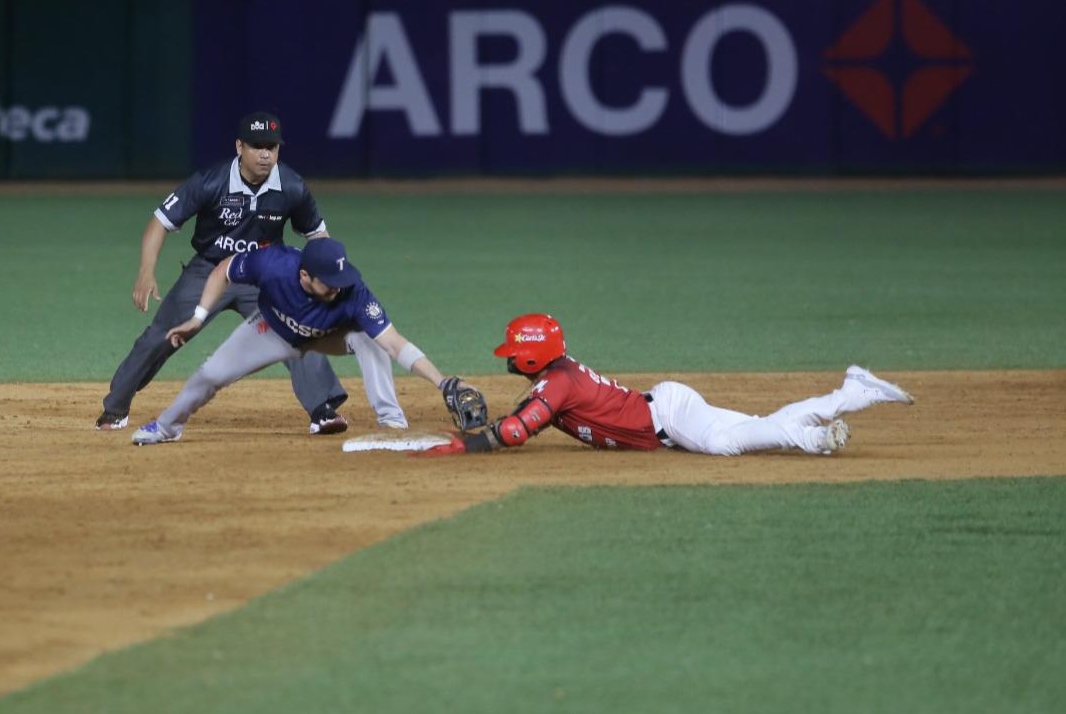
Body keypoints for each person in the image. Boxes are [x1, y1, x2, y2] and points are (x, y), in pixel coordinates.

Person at [96, 111, 359, 436]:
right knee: (163, 335)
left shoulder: (291, 186)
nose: (265, 154)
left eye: (272, 147)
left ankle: (323, 410)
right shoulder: (210, 181)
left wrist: (325, 278)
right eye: (257, 146)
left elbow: (318, 236)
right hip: (208, 270)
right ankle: (115, 409)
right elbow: (160, 222)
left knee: (298, 329)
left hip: (263, 274)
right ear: (239, 147)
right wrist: (145, 272)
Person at [421, 313, 915, 457]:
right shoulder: (557, 378)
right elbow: (527, 417)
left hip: (671, 418)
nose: (510, 359)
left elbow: (515, 432)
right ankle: (848, 394)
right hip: (668, 408)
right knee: (756, 427)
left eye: (513, 351)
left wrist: (467, 445)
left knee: (724, 444)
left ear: (532, 354)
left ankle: (819, 437)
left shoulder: (558, 383)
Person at [130, 237, 466, 446]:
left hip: (328, 338)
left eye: (340, 278)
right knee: (210, 375)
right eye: (329, 282)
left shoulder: (353, 291)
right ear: (305, 275)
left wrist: (442, 381)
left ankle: (392, 422)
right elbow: (223, 271)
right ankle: (167, 427)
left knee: (373, 339)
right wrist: (198, 317)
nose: (337, 287)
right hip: (272, 330)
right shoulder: (273, 264)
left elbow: (394, 343)